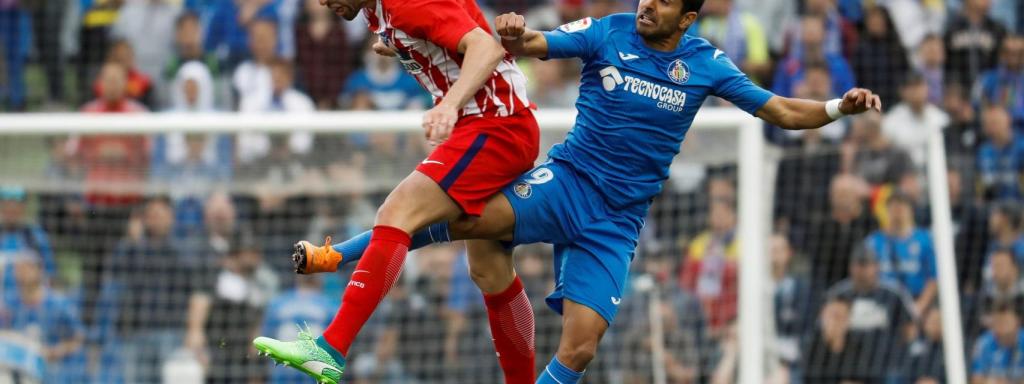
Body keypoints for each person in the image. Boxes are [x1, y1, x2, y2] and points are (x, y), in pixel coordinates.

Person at [261, 2, 882, 383]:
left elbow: (780, 111)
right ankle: (337, 256)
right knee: (473, 226)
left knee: (581, 346)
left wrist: (836, 106)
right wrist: (511, 31)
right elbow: (533, 44)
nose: (647, 7)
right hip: (566, 181)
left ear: (687, 18)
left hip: (618, 220)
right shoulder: (607, 31)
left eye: (662, 4)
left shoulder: (707, 64)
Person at [253, 0, 540, 381]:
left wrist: (449, 106)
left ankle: (329, 347)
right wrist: (406, 44)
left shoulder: (406, 4)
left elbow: (485, 47)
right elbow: (452, 27)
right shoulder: (379, 12)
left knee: (397, 211)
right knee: (490, 271)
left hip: (495, 126)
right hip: (491, 124)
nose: (322, 2)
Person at [863, 192, 938, 314]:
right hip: (881, 302)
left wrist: (919, 307)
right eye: (894, 209)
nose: (898, 213)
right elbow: (865, 276)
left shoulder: (925, 240)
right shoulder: (873, 242)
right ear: (887, 211)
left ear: (910, 211)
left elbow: (934, 278)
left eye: (901, 208)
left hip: (916, 300)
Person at [970, 302, 1024, 383]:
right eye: (998, 322)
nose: (1002, 328)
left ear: (1017, 322)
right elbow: (976, 379)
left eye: (1006, 322)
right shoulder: (984, 343)